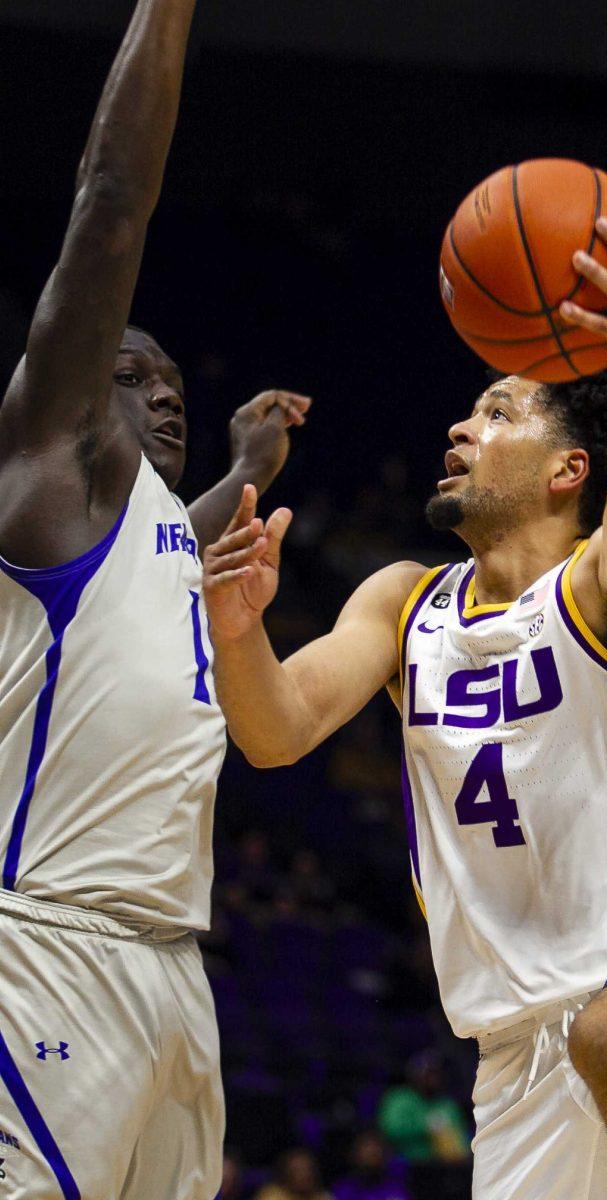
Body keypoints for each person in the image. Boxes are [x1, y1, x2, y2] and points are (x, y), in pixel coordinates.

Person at [204, 203, 607, 1199]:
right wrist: (235, 629)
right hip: (514, 1057)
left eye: (498, 413)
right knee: (600, 1043)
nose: (461, 426)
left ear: (569, 471)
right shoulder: (403, 601)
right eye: (473, 411)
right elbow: (274, 732)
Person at [0, 3, 308, 1198]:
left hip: (174, 963)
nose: (160, 394)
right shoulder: (47, 477)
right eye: (129, 376)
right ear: (77, 396)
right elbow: (110, 201)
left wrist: (252, 468)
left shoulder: (169, 535)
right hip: (52, 944)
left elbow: (193, 528)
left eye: (174, 380)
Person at [378, 1051, 470, 1164]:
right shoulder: (399, 1098)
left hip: (445, 1167)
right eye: (428, 1073)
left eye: (437, 1073)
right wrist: (426, 1127)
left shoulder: (447, 1104)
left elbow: (460, 1136)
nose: (433, 1078)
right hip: (408, 1165)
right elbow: (390, 1130)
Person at [254, 1148, 330, 1200]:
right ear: (285, 1173)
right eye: (297, 1170)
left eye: (308, 1169)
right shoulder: (271, 1196)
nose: (304, 1175)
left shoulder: (322, 1197)